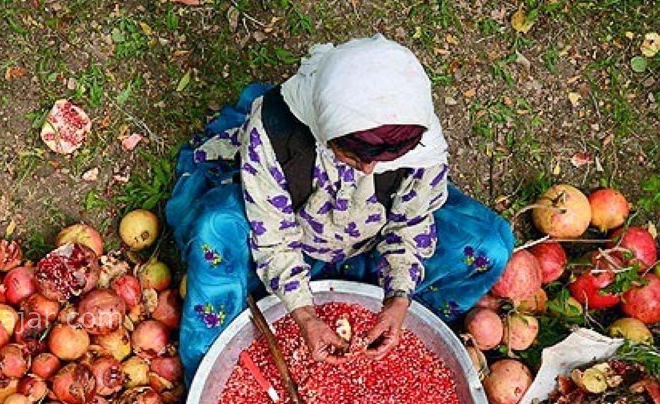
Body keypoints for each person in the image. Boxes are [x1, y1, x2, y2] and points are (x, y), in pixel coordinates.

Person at [167, 35, 514, 382]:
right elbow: (273, 237)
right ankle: (213, 369)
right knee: (216, 230)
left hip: (370, 241)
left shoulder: (417, 141)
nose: (368, 170)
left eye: (383, 160)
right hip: (296, 237)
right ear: (325, 129)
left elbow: (411, 224)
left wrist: (398, 298)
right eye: (353, 156)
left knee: (489, 247)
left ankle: (402, 320)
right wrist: (304, 314)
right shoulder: (275, 133)